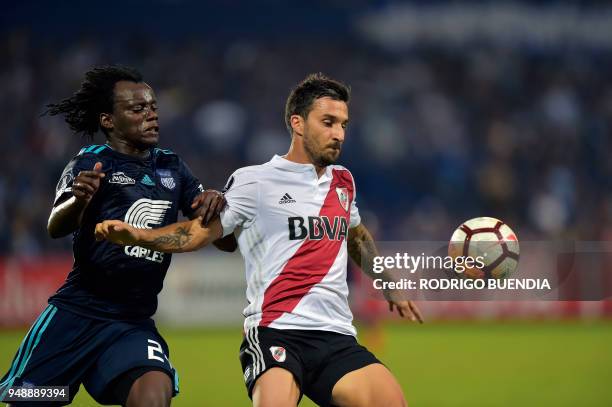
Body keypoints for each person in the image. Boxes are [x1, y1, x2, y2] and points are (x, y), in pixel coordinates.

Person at [95, 73, 423, 407]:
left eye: (343, 124)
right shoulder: (256, 182)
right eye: (328, 122)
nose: (338, 134)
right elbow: (196, 234)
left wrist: (388, 284)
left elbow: (357, 236)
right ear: (297, 123)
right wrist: (139, 235)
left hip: (336, 335)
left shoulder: (343, 181)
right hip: (275, 332)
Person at [0, 65, 231, 406]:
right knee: (31, 399)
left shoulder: (172, 167)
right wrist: (78, 200)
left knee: (154, 395)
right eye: (138, 109)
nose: (151, 115)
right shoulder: (90, 163)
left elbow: (226, 243)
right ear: (109, 120)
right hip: (75, 316)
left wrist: (217, 209)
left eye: (153, 107)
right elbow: (56, 225)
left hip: (131, 323)